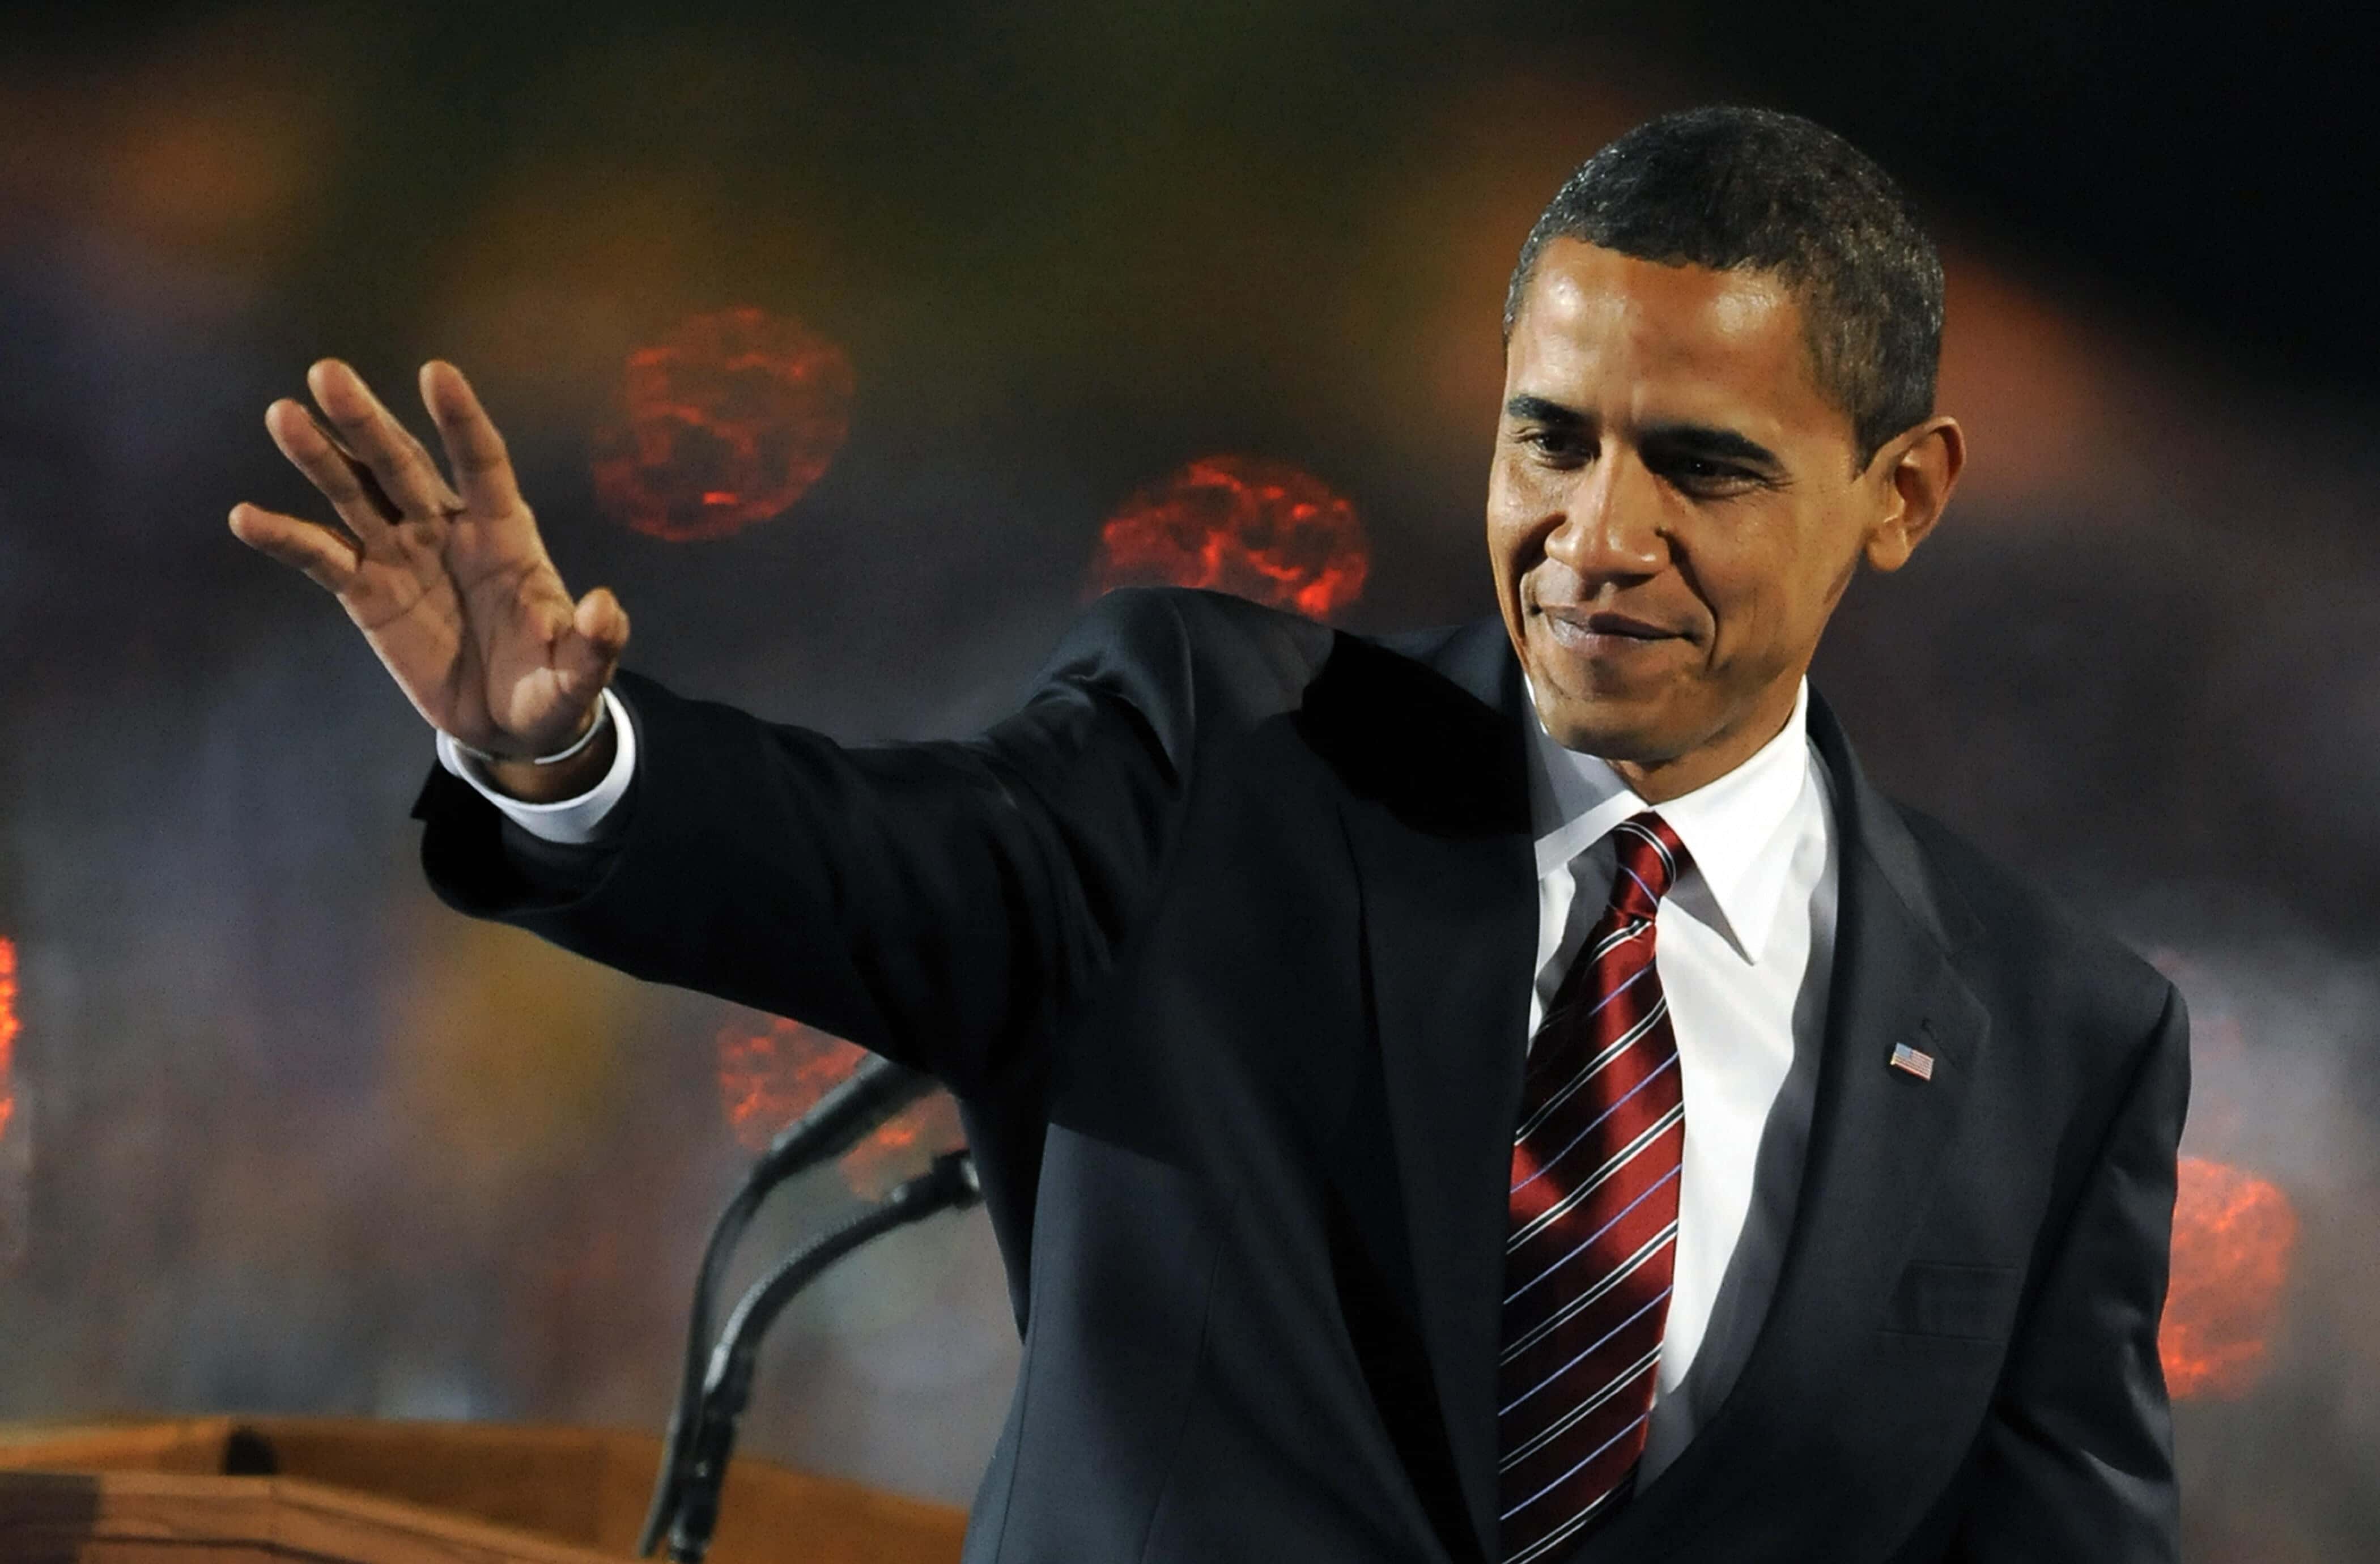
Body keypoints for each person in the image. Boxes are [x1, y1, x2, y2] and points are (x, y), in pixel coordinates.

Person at [231, 107, 2187, 1563]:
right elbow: (862, 862)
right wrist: (569, 751)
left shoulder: (2059, 1045)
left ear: (1905, 490)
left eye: (1703, 467)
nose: (1597, 536)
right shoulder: (1219, 759)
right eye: (1550, 437)